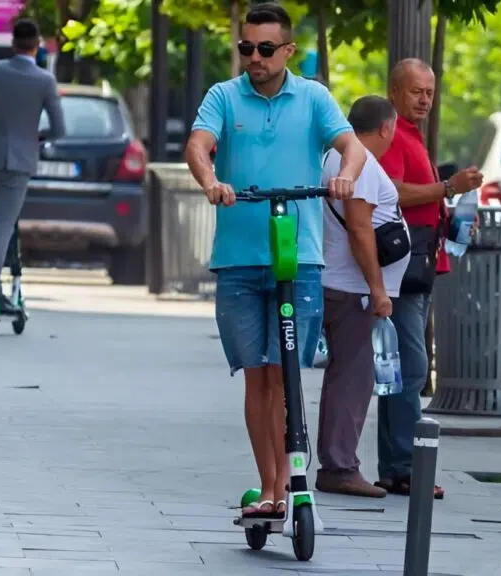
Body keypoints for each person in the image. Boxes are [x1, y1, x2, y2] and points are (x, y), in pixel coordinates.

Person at [184, 2, 364, 518]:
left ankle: (285, 485)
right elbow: (199, 144)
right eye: (246, 48)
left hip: (298, 258)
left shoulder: (312, 98)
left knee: (285, 374)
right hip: (238, 259)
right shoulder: (224, 96)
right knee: (257, 375)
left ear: (288, 50)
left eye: (265, 49)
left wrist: (344, 173)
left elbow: (351, 146)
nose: (254, 58)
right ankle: (270, 487)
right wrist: (211, 180)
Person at [374, 58, 484, 500]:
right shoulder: (393, 134)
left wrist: (452, 211)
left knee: (402, 367)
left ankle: (397, 465)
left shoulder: (412, 135)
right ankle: (402, 465)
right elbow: (393, 191)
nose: (425, 100)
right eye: (417, 92)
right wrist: (447, 188)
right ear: (395, 92)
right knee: (410, 367)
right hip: (402, 267)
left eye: (430, 93)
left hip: (420, 265)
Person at [316, 96, 409, 498]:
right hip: (352, 290)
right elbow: (359, 227)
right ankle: (339, 466)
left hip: (339, 283)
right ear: (387, 128)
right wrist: (377, 289)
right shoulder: (362, 164)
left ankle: (337, 461)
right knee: (352, 379)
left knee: (346, 375)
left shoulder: (332, 157)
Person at [0, 18, 65, 316]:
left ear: (13, 42)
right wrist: (36, 138)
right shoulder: (45, 80)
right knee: (2, 227)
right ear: (37, 45)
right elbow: (59, 128)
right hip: (21, 160)